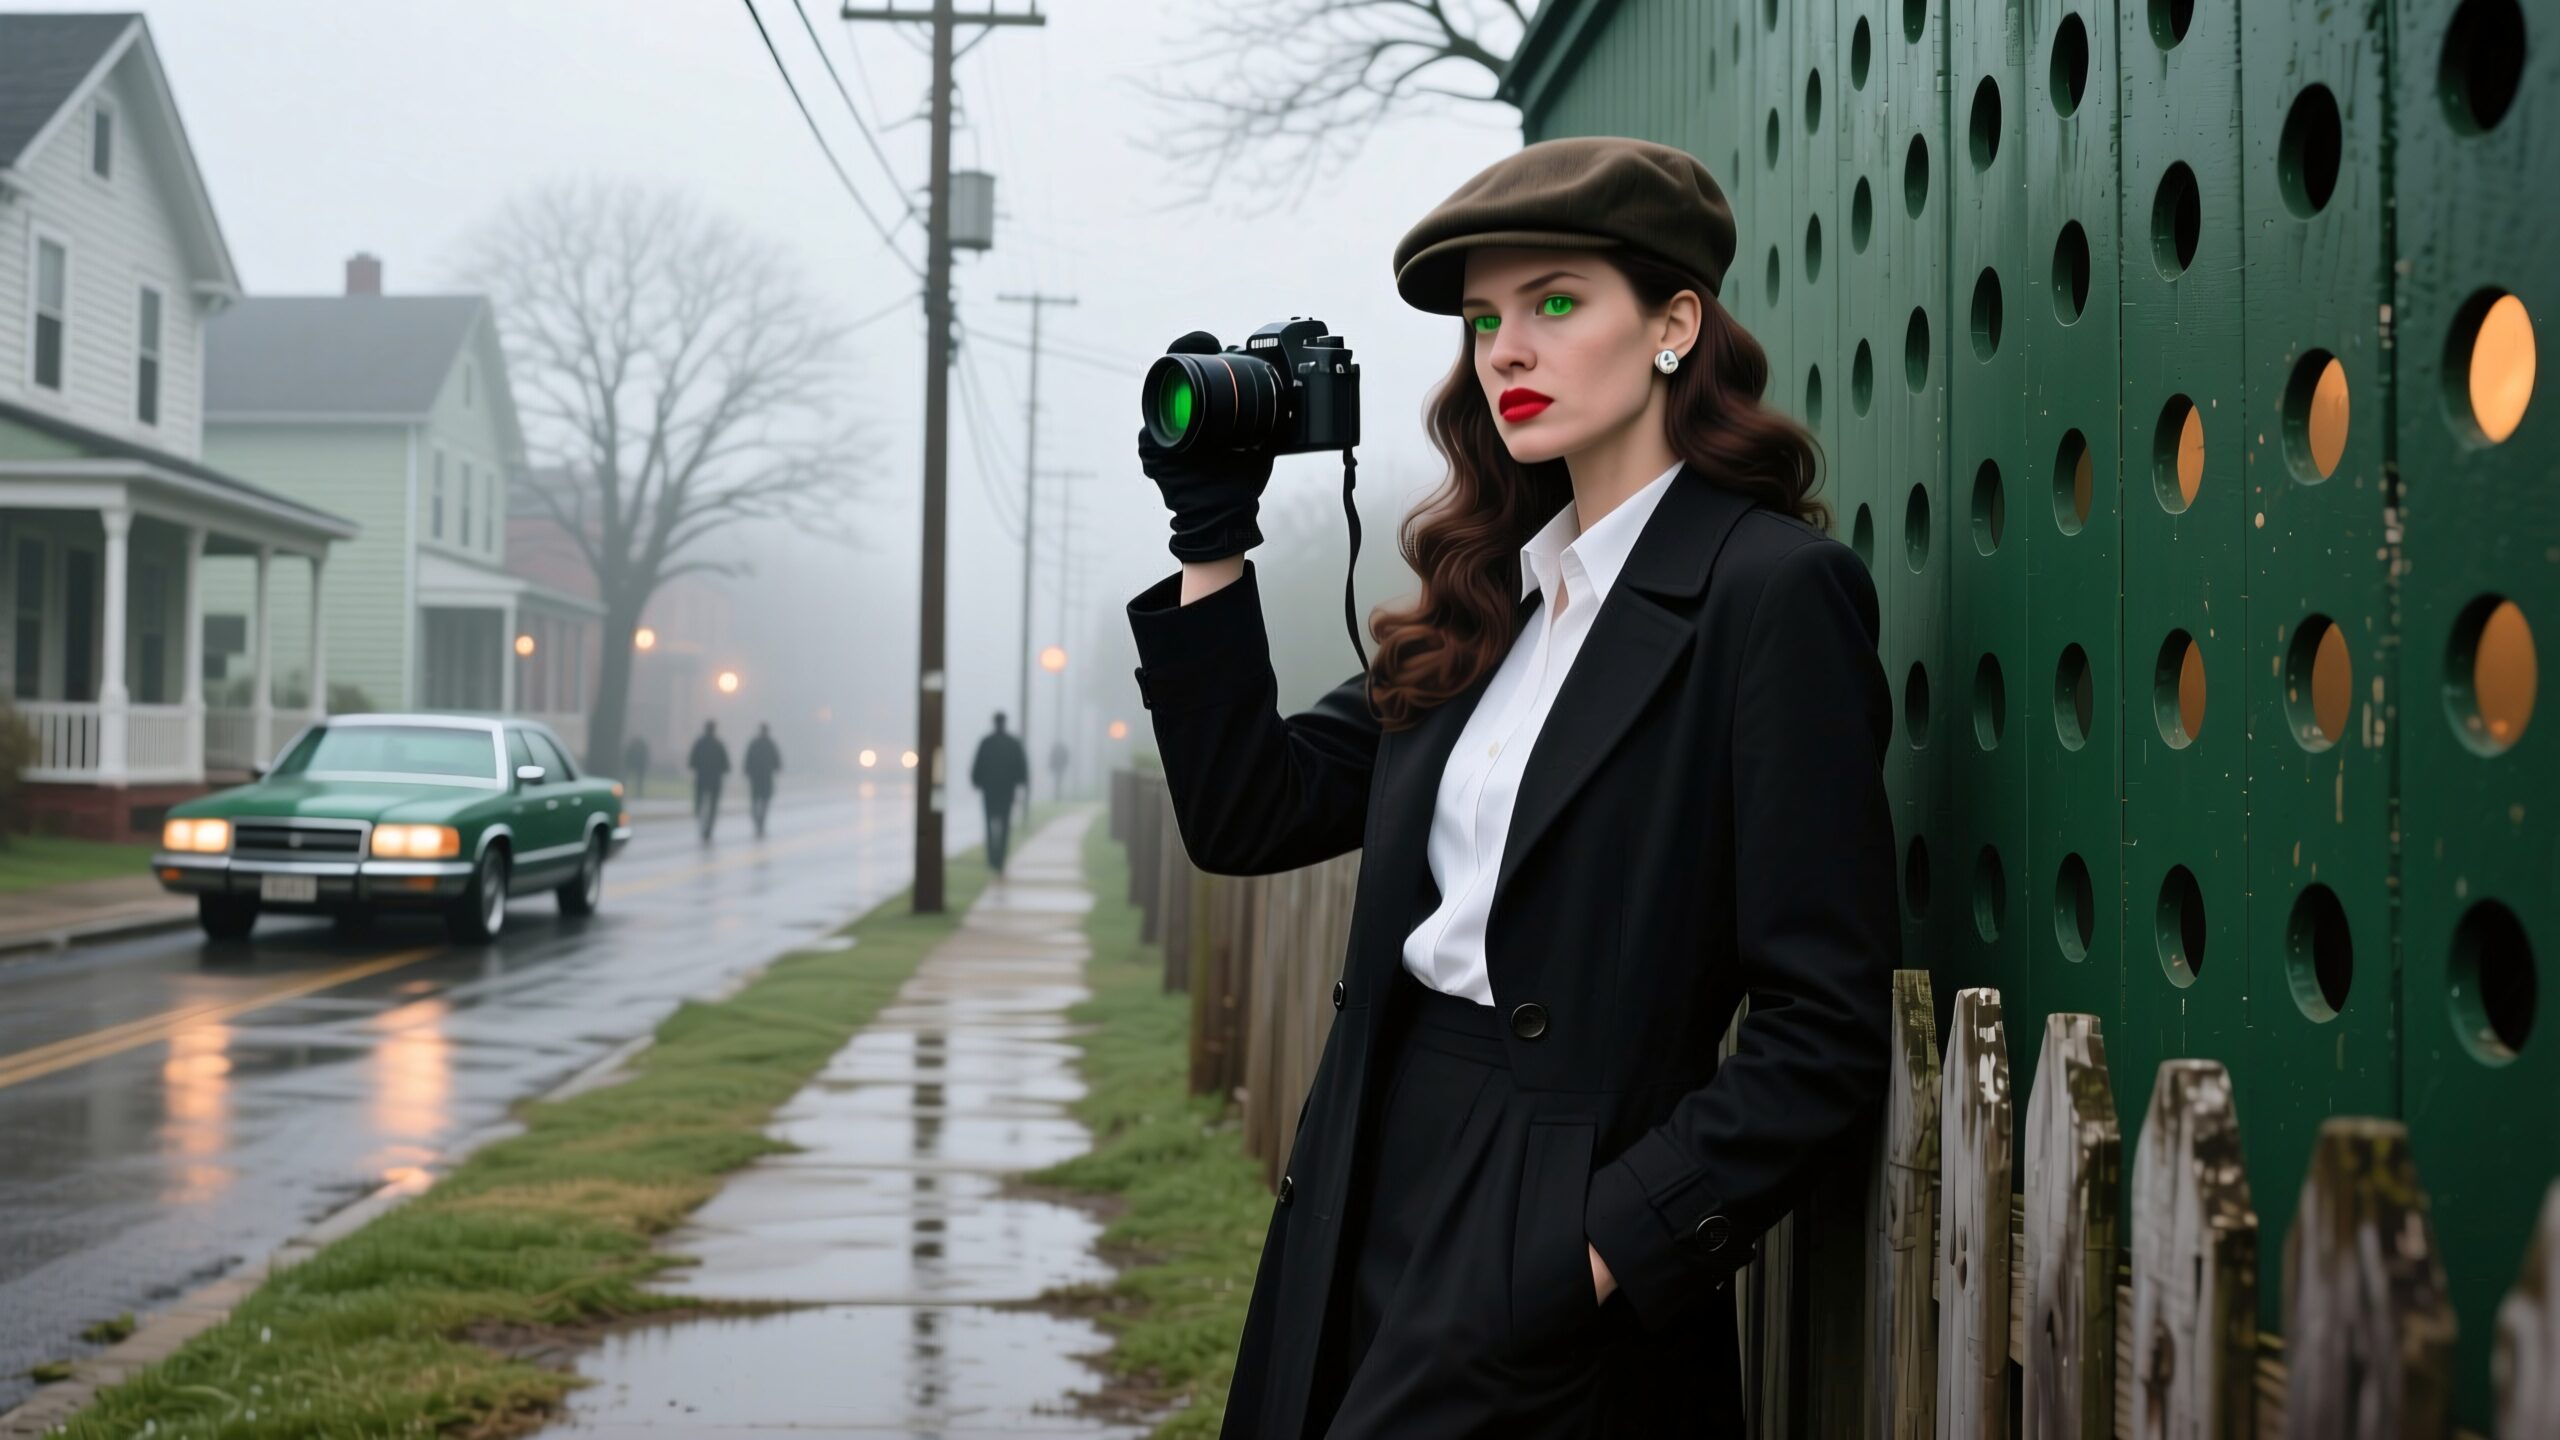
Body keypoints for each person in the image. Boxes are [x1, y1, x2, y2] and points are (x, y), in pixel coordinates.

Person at [1125, 136, 1898, 1439]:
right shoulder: (1488, 601)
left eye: (1554, 303)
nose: (1506, 352)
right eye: (1485, 320)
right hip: (1375, 1152)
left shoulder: (1769, 595)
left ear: (1674, 325)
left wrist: (1598, 1251)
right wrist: (1212, 537)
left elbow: (1824, 1026)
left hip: (1554, 1200)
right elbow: (1246, 813)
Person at [969, 711, 1030, 875]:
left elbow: (978, 765)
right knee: (1005, 824)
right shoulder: (1013, 743)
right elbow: (1021, 767)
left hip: (990, 791)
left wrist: (977, 782)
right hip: (1006, 791)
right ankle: (1000, 858)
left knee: (989, 823)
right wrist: (1021, 782)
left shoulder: (986, 743)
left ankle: (992, 858)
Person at [687, 720, 730, 843]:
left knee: (699, 804)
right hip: (715, 781)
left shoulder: (699, 743)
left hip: (702, 779)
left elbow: (692, 762)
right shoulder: (719, 745)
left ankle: (702, 823)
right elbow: (726, 765)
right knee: (713, 807)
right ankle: (708, 828)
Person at [743, 723, 783, 838]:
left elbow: (748, 759)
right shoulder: (770, 744)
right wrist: (776, 768)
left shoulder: (754, 744)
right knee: (764, 801)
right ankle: (760, 821)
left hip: (756, 778)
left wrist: (747, 771)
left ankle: (758, 821)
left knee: (756, 801)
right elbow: (777, 761)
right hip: (765, 777)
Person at [622, 733, 650, 800]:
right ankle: (638, 793)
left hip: (636, 765)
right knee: (638, 781)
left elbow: (627, 756)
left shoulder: (633, 746)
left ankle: (637, 793)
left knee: (637, 781)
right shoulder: (642, 746)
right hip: (637, 765)